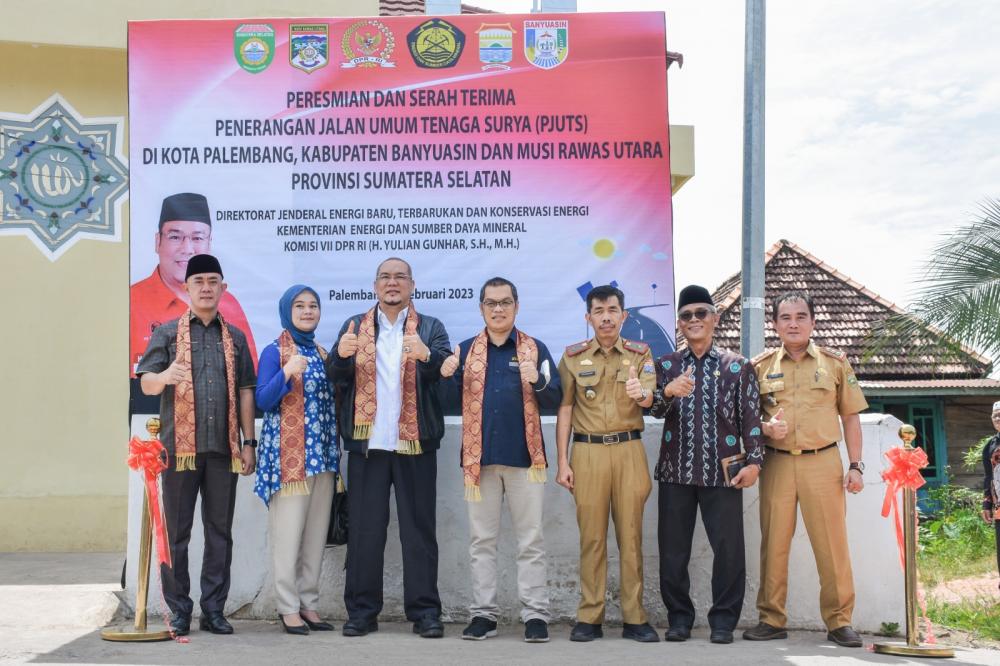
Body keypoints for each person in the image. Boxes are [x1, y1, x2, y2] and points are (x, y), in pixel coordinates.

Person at [327, 257, 452, 639]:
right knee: (365, 533)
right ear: (375, 286)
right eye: (385, 277)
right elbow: (335, 377)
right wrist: (340, 356)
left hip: (415, 445)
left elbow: (445, 376)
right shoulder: (354, 326)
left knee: (419, 532)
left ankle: (425, 612)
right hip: (369, 446)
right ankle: (362, 613)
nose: (392, 283)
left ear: (412, 286)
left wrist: (427, 356)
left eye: (400, 277)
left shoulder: (431, 328)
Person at [136, 254, 257, 636]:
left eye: (212, 281)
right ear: (186, 287)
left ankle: (214, 610)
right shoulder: (167, 334)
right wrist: (164, 377)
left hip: (224, 450)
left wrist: (249, 442)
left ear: (223, 287)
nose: (206, 288)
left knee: (220, 532)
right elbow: (146, 383)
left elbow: (246, 391)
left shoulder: (235, 337)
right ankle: (178, 610)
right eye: (198, 281)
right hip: (179, 451)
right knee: (177, 534)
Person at [743, 290, 868, 648]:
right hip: (777, 462)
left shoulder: (834, 364)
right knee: (774, 543)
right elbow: (746, 419)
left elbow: (851, 417)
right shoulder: (760, 366)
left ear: (813, 321)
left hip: (823, 462)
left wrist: (856, 466)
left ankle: (839, 621)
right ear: (774, 324)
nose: (793, 324)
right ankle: (771, 618)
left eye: (801, 317)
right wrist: (766, 428)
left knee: (831, 544)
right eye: (785, 317)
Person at [440, 277, 563, 643]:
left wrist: (537, 381)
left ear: (516, 306)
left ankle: (535, 615)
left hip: (526, 460)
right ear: (481, 308)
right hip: (480, 462)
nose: (498, 309)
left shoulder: (535, 349)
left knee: (531, 541)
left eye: (505, 302)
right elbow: (447, 402)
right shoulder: (465, 351)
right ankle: (483, 615)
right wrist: (445, 377)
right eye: (491, 303)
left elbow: (556, 398)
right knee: (481, 541)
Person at [651, 284, 763, 645]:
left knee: (729, 550)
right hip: (676, 471)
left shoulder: (738, 366)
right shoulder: (666, 365)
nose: (694, 320)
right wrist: (668, 392)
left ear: (715, 319)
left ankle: (724, 621)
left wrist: (755, 462)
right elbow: (652, 410)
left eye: (701, 313)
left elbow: (751, 419)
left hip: (724, 473)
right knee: (673, 551)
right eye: (687, 315)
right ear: (679, 323)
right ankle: (679, 619)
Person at [555, 284, 660, 643]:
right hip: (588, 453)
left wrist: (640, 394)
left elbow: (649, 398)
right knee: (592, 538)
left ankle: (635, 618)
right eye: (598, 311)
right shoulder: (573, 357)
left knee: (631, 537)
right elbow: (565, 408)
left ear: (623, 315)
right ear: (588, 317)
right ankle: (590, 616)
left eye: (612, 310)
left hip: (629, 449)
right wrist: (562, 461)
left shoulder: (640, 353)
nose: (606, 317)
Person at [254, 285, 339, 635]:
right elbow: (263, 400)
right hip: (288, 462)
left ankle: (309, 603)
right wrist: (287, 371)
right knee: (288, 537)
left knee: (315, 537)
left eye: (313, 305)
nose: (307, 311)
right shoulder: (274, 352)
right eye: (300, 306)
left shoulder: (322, 353)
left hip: (322, 459)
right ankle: (287, 607)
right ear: (287, 311)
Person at [130, 192, 256, 376]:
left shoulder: (229, 304)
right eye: (175, 237)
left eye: (197, 238)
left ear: (209, 244)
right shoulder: (132, 301)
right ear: (158, 242)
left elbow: (248, 379)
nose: (188, 249)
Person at [982, 401, 1000, 592]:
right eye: (995, 415)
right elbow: (988, 477)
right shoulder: (990, 445)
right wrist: (986, 504)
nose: (998, 418)